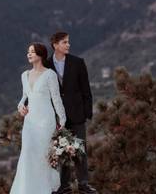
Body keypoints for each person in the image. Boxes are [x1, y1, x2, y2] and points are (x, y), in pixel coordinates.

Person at [10, 42, 66, 194]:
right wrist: (20, 106)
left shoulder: (50, 75)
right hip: (30, 122)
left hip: (46, 121)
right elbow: (24, 97)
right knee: (27, 154)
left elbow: (56, 99)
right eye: (28, 52)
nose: (29, 54)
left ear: (40, 55)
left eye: (32, 52)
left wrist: (62, 120)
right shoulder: (24, 75)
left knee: (42, 156)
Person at [49, 31, 96, 194]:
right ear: (55, 45)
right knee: (61, 151)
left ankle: (83, 183)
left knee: (80, 149)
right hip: (57, 117)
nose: (68, 45)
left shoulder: (77, 62)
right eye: (64, 42)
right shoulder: (47, 64)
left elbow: (86, 89)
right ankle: (64, 185)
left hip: (77, 114)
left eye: (68, 42)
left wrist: (87, 112)